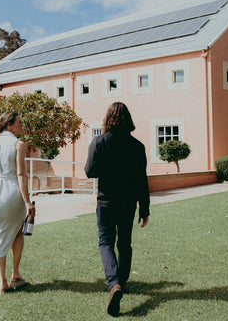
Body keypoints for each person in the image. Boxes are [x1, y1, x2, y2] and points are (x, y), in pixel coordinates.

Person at [84, 102, 150, 316]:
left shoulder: (99, 142)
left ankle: (114, 284)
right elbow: (142, 179)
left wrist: (107, 165)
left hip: (106, 202)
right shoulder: (137, 146)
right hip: (129, 202)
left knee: (105, 242)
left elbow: (89, 171)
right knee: (125, 243)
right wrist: (145, 208)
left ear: (108, 119)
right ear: (128, 120)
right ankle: (121, 281)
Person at [0, 111, 36, 294]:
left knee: (0, 233)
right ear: (9, 125)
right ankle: (15, 273)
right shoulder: (18, 144)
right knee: (18, 231)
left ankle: (3, 280)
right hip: (13, 191)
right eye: (19, 122)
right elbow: (21, 174)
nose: (21, 125)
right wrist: (28, 202)